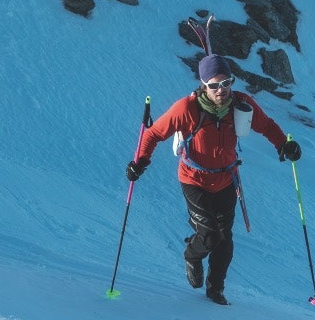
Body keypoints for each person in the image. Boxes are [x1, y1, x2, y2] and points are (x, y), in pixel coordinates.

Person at [126, 51, 302, 305]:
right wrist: (140, 161)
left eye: (226, 83)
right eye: (214, 85)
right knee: (209, 235)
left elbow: (267, 126)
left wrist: (283, 145)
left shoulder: (242, 106)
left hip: (226, 180)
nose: (221, 90)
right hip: (194, 180)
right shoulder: (186, 109)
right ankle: (192, 255)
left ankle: (216, 290)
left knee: (224, 240)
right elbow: (153, 134)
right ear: (203, 85)